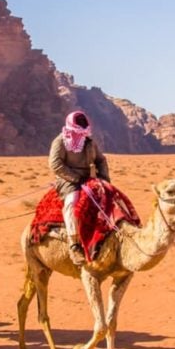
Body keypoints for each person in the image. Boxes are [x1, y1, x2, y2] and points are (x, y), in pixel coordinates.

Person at [49, 110, 110, 266]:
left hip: (89, 178)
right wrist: (75, 178)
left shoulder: (88, 142)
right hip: (67, 180)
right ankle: (74, 244)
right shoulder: (61, 141)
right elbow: (55, 164)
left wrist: (104, 179)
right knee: (72, 201)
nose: (81, 130)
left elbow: (101, 160)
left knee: (110, 197)